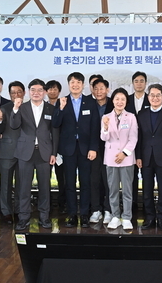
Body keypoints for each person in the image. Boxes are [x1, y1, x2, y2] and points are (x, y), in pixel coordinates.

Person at [52, 72, 99, 227]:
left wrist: (93, 148)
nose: (75, 85)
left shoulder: (90, 102)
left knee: (85, 183)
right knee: (69, 184)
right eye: (72, 82)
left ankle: (84, 214)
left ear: (83, 85)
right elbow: (55, 123)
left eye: (78, 82)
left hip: (86, 149)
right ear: (68, 85)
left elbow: (95, 127)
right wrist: (60, 108)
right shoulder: (62, 101)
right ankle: (72, 214)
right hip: (68, 149)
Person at [12, 79, 59, 231]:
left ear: (44, 92)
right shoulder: (22, 107)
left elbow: (55, 133)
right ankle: (23, 217)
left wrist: (54, 153)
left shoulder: (51, 109)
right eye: (33, 90)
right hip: (25, 153)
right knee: (24, 187)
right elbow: (14, 125)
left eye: (39, 90)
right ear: (28, 92)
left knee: (44, 187)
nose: (36, 93)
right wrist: (15, 108)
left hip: (44, 153)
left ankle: (44, 217)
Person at [136, 84, 162, 230]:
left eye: (158, 95)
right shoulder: (141, 114)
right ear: (148, 97)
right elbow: (139, 137)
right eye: (152, 95)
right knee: (147, 190)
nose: (155, 98)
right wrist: (138, 156)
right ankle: (149, 218)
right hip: (146, 157)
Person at [101, 88, 138, 230]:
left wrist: (124, 153)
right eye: (117, 99)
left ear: (126, 101)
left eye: (123, 99)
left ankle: (127, 217)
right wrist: (105, 127)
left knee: (127, 190)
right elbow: (104, 138)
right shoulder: (106, 117)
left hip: (126, 159)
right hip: (111, 158)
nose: (120, 102)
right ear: (113, 101)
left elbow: (133, 138)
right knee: (113, 190)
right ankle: (115, 216)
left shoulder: (131, 117)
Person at [0, 81, 26, 224]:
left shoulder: (29, 107)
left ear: (24, 93)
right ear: (9, 94)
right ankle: (6, 212)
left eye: (19, 92)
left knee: (22, 183)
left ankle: (20, 210)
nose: (16, 94)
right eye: (13, 92)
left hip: (25, 151)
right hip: (7, 151)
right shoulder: (4, 108)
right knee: (5, 183)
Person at [89, 77, 113, 224]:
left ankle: (108, 209)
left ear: (107, 90)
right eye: (96, 89)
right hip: (93, 148)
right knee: (94, 180)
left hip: (111, 148)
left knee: (109, 180)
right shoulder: (89, 104)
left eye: (101, 88)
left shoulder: (113, 103)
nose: (98, 91)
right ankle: (96, 209)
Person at [125, 71, 149, 211]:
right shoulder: (126, 100)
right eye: (136, 81)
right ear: (132, 83)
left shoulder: (151, 99)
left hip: (147, 144)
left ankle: (147, 205)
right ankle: (132, 204)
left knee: (147, 176)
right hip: (129, 143)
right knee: (131, 176)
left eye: (142, 81)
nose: (139, 84)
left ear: (146, 83)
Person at [45, 79, 65, 212]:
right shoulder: (42, 106)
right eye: (50, 89)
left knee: (62, 178)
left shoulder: (63, 105)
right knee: (44, 178)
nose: (52, 91)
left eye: (55, 89)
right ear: (46, 91)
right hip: (45, 147)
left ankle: (63, 204)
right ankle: (46, 205)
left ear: (59, 91)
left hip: (61, 148)